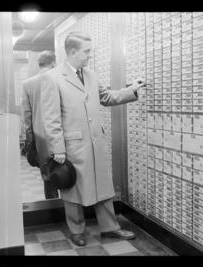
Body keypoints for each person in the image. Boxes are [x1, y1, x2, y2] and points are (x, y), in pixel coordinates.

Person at [39, 32, 146, 246]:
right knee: (72, 188)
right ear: (72, 52)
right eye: (87, 51)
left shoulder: (90, 74)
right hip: (71, 145)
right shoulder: (52, 78)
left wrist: (131, 90)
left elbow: (106, 97)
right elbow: (50, 118)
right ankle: (76, 230)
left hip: (96, 142)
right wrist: (57, 148)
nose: (90, 55)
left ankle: (110, 228)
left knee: (103, 185)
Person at [21, 50, 59, 199]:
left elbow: (27, 116)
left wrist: (30, 141)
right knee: (69, 173)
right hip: (63, 134)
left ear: (39, 64)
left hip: (41, 137)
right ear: (54, 63)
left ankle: (54, 210)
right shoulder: (59, 79)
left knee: (48, 178)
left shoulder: (27, 84)